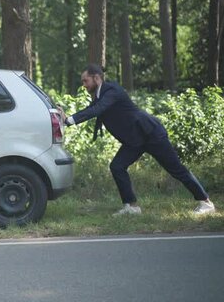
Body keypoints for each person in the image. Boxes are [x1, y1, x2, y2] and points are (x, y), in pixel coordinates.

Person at [58, 64, 216, 216]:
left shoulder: (111, 90)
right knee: (117, 166)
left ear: (97, 78)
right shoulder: (101, 94)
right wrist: (66, 119)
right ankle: (132, 207)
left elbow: (96, 110)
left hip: (150, 134)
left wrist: (69, 120)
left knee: (176, 169)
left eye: (85, 81)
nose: (83, 85)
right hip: (134, 140)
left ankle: (206, 203)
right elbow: (92, 109)